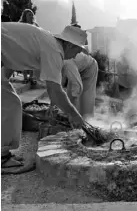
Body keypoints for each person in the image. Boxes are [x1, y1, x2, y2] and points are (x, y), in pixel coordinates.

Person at [2, 23, 86, 169]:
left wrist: (4, 80)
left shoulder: (48, 42)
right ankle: (2, 158)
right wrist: (74, 114)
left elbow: (13, 55)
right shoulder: (54, 50)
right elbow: (55, 90)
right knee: (11, 104)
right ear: (71, 45)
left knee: (8, 103)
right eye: (78, 50)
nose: (77, 54)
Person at [61, 52, 98, 119]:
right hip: (77, 68)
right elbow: (59, 84)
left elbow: (77, 86)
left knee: (86, 104)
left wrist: (74, 113)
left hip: (89, 68)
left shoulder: (67, 63)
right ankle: (74, 120)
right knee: (70, 98)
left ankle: (86, 123)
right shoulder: (55, 63)